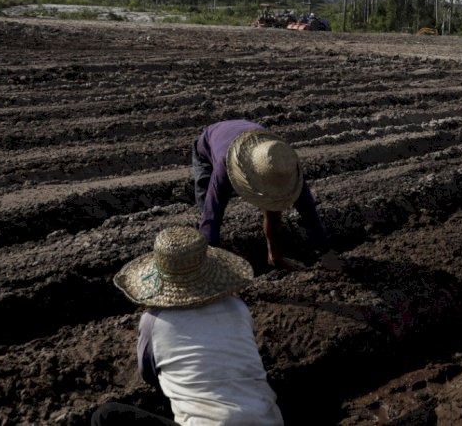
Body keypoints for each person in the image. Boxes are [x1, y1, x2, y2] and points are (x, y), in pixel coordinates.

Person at [93, 226, 283, 425]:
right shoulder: (237, 307)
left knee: (105, 415)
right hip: (267, 420)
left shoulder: (153, 322)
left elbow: (149, 374)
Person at [193, 119, 341, 271]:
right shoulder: (224, 168)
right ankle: (211, 263)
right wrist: (208, 271)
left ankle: (274, 257)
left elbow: (309, 211)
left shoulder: (282, 163)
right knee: (207, 208)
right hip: (208, 146)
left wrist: (326, 251)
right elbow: (212, 215)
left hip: (254, 140)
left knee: (273, 204)